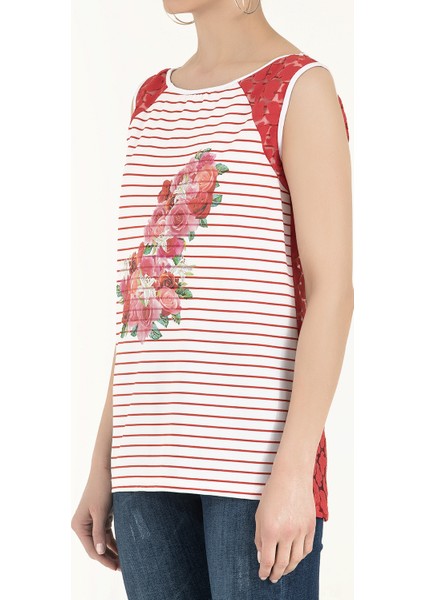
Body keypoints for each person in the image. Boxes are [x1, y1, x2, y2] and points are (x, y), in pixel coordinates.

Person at [71, 1, 353, 598]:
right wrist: (103, 462)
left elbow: (332, 293)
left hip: (253, 467)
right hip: (145, 461)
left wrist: (295, 473)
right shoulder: (150, 102)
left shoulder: (296, 88)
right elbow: (136, 305)